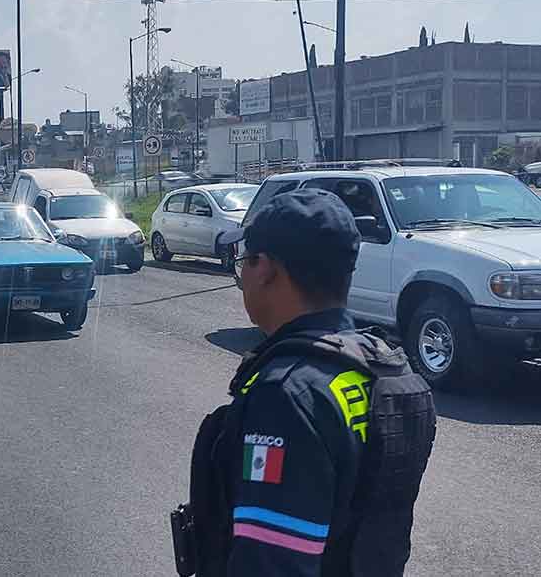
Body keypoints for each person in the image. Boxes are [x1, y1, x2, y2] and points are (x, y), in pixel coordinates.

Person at [180, 189, 436, 577]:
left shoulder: (286, 395)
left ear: (265, 269)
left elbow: (271, 564)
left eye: (244, 260)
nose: (243, 273)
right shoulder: (390, 373)